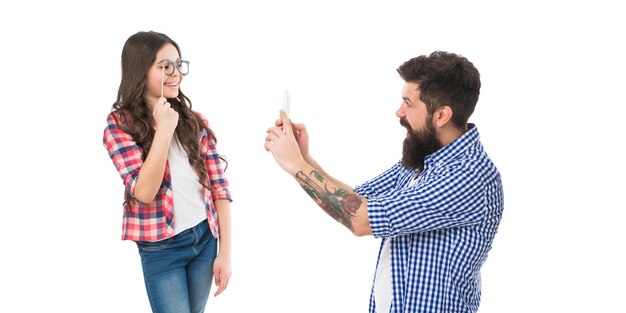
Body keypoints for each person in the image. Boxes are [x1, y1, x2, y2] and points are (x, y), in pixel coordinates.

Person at [264, 51, 503, 312]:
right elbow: (355, 201)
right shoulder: (425, 157)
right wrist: (304, 158)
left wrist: (295, 165)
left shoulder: (468, 175)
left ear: (441, 115)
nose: (399, 112)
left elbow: (360, 219)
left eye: (409, 104)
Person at [103, 31, 232, 313]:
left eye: (178, 64)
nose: (177, 74)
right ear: (140, 70)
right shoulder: (119, 127)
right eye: (165, 66)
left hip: (205, 238)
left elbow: (220, 187)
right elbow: (145, 193)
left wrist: (225, 252)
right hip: (162, 250)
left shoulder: (194, 121)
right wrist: (163, 130)